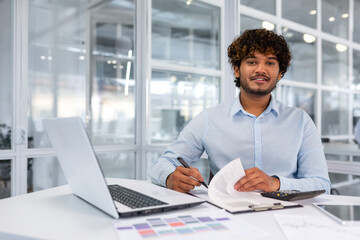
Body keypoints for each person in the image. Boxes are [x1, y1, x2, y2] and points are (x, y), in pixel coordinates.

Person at [148, 28, 331, 194]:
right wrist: (170, 177)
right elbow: (160, 165)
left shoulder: (300, 121)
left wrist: (275, 183)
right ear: (236, 70)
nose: (261, 70)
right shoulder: (210, 119)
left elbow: (322, 184)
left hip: (289, 217)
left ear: (280, 73)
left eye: (270, 63)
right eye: (252, 62)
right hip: (228, 218)